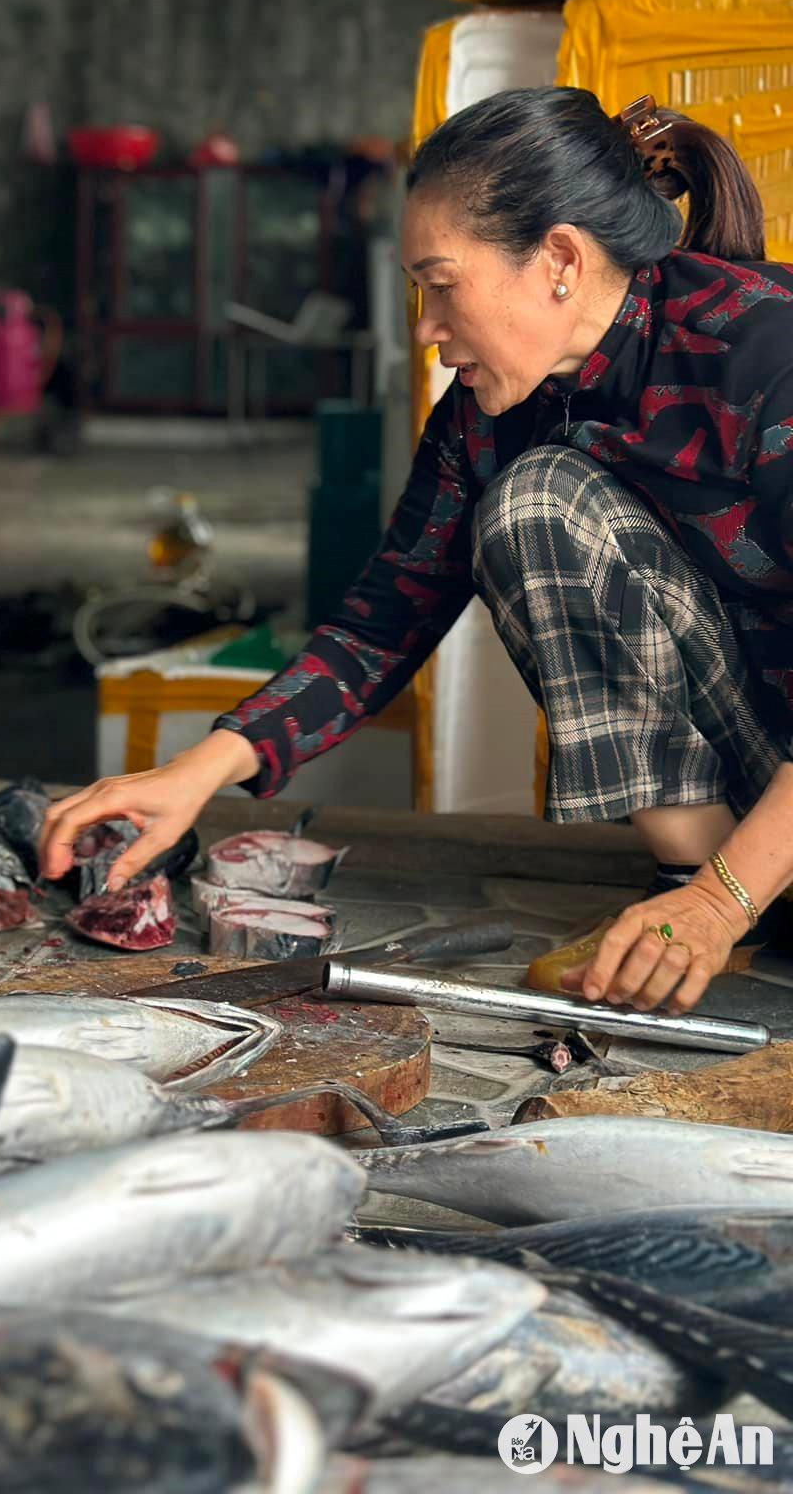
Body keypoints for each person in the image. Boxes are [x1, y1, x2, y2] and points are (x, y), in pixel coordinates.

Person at [41, 86, 792, 1019]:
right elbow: (378, 626)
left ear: (559, 259)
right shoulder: (490, 420)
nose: (429, 333)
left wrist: (725, 899)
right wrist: (196, 773)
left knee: (540, 496)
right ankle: (702, 893)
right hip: (763, 808)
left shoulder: (767, 351)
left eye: (442, 285)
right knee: (534, 505)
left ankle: (727, 901)